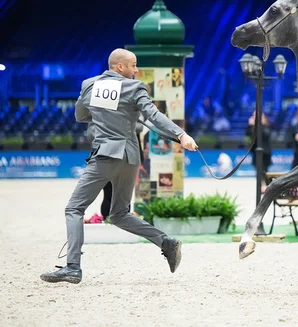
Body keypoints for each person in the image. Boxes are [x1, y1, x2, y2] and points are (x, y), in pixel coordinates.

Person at [40, 48, 198, 284]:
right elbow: (154, 115)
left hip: (105, 155)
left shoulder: (89, 85)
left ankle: (73, 267)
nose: (136, 70)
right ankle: (166, 242)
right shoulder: (135, 88)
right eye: (133, 65)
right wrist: (181, 135)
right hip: (130, 158)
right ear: (119, 67)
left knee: (74, 209)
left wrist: (106, 114)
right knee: (119, 214)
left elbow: (81, 116)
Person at [245, 110, 272, 192]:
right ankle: (260, 188)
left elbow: (265, 135)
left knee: (265, 172)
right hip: (256, 153)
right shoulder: (252, 127)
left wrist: (259, 124)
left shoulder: (266, 126)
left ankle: (268, 187)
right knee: (258, 171)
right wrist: (250, 126)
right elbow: (248, 137)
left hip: (265, 153)